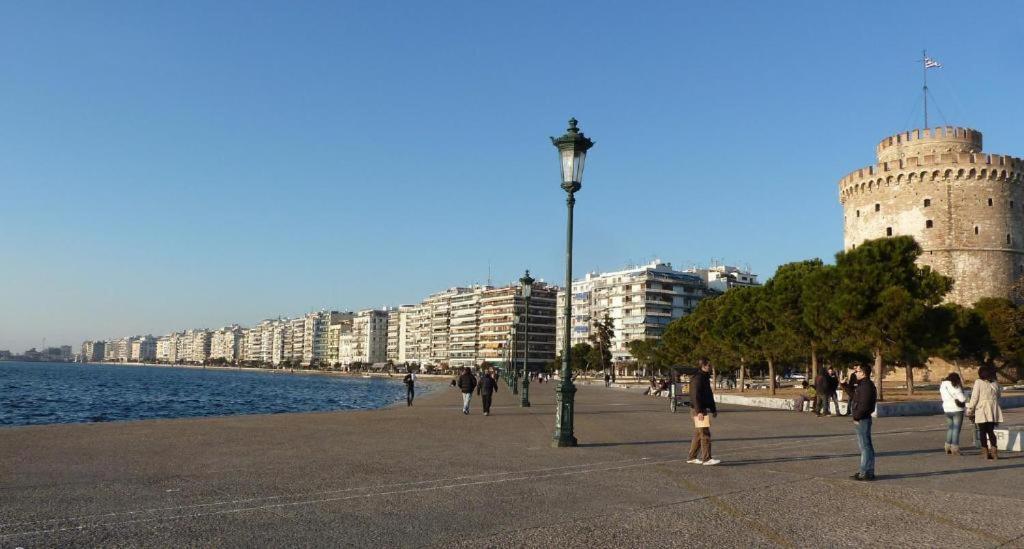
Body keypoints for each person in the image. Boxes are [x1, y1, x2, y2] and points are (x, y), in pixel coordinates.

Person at [966, 365, 1004, 460]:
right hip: (992, 409)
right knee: (991, 431)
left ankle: (985, 452)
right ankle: (994, 452)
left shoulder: (978, 382)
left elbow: (974, 397)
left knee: (982, 431)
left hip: (982, 409)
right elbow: (999, 396)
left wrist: (970, 409)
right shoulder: (995, 383)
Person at [687, 358, 720, 466]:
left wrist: (713, 409)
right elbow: (695, 396)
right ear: (704, 366)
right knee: (705, 433)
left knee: (698, 434)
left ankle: (691, 457)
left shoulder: (704, 377)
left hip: (701, 409)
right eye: (709, 365)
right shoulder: (698, 378)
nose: (711, 367)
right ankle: (706, 459)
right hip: (698, 410)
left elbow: (709, 395)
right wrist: (699, 411)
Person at [850, 362, 877, 481]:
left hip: (862, 419)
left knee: (865, 446)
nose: (855, 373)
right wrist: (844, 384)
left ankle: (865, 472)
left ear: (863, 373)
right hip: (862, 418)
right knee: (865, 445)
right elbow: (855, 397)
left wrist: (857, 417)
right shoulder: (863, 385)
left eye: (857, 371)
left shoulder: (866, 386)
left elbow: (864, 405)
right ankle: (867, 470)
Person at [939, 372, 966, 455]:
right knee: (956, 429)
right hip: (957, 409)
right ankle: (955, 448)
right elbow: (962, 399)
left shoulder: (942, 385)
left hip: (947, 409)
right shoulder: (955, 386)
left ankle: (947, 447)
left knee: (950, 428)